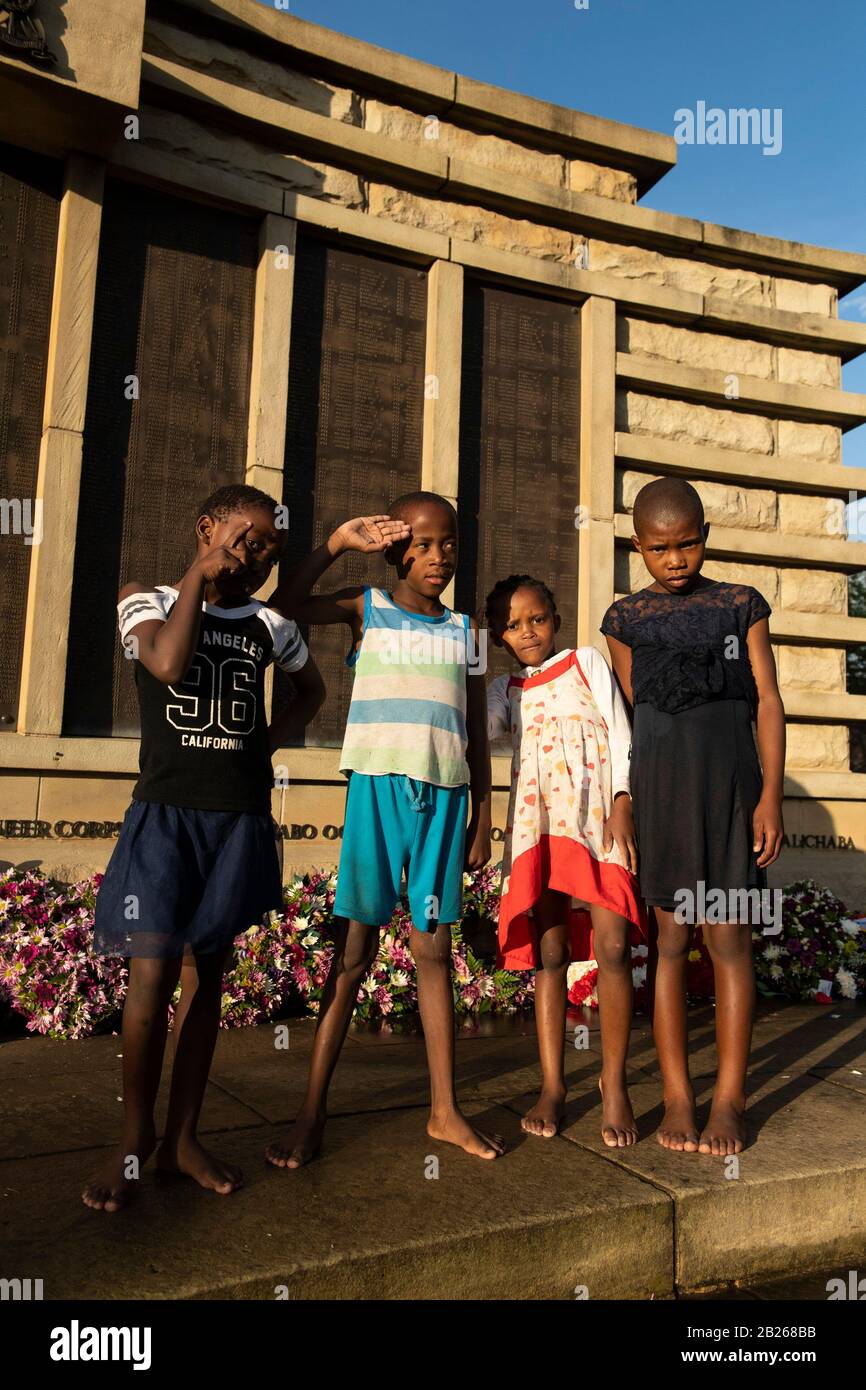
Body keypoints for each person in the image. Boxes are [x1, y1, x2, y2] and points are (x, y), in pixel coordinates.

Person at [82, 486, 400, 1211]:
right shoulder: (147, 598)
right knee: (150, 974)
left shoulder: (266, 623)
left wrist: (261, 747)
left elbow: (312, 691)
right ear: (205, 526)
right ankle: (134, 1135)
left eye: (268, 550)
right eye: (246, 538)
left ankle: (182, 1137)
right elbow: (164, 664)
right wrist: (200, 574)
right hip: (165, 816)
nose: (255, 557)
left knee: (207, 978)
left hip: (237, 818)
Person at [264, 491, 505, 1169]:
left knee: (433, 953)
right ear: (395, 547)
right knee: (352, 958)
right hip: (377, 794)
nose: (438, 557)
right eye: (423, 544)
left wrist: (483, 819)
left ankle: (444, 1111)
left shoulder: (469, 634)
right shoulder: (366, 609)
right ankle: (312, 1110)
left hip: (445, 801)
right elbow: (280, 610)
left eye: (449, 543)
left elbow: (476, 737)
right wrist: (338, 544)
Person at [601, 477, 785, 1157]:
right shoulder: (625, 619)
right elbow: (623, 719)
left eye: (687, 543)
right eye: (658, 548)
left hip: (731, 794)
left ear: (705, 535)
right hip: (662, 796)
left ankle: (730, 1099)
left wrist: (769, 796)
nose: (675, 558)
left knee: (730, 943)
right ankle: (679, 1095)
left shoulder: (741, 605)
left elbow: (767, 699)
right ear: (637, 546)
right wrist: (623, 800)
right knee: (671, 943)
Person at [485, 575, 645, 1146]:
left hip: (598, 819)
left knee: (612, 947)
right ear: (498, 636)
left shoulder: (586, 663)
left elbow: (622, 734)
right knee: (550, 952)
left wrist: (623, 801)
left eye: (537, 618)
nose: (527, 631)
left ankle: (615, 1083)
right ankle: (553, 1085)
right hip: (540, 828)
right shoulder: (506, 691)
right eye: (511, 624)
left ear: (555, 617)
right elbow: (479, 740)